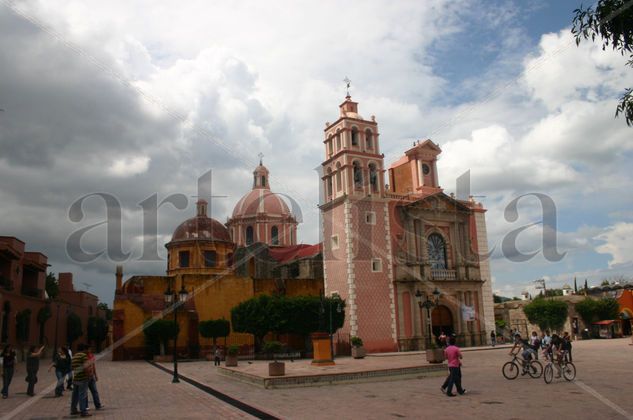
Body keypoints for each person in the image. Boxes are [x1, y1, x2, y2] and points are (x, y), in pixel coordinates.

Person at [70, 344, 92, 417]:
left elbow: (72, 368)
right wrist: (88, 375)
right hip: (83, 379)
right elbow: (86, 367)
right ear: (84, 349)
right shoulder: (83, 356)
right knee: (82, 395)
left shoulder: (74, 356)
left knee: (75, 395)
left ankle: (73, 409)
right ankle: (83, 411)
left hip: (76, 378)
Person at [84, 346, 103, 411]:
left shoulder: (91, 355)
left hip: (91, 376)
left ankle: (98, 405)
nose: (89, 350)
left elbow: (93, 365)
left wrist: (95, 375)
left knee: (95, 391)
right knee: (85, 392)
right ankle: (86, 406)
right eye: (88, 349)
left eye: (90, 349)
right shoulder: (83, 357)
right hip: (85, 377)